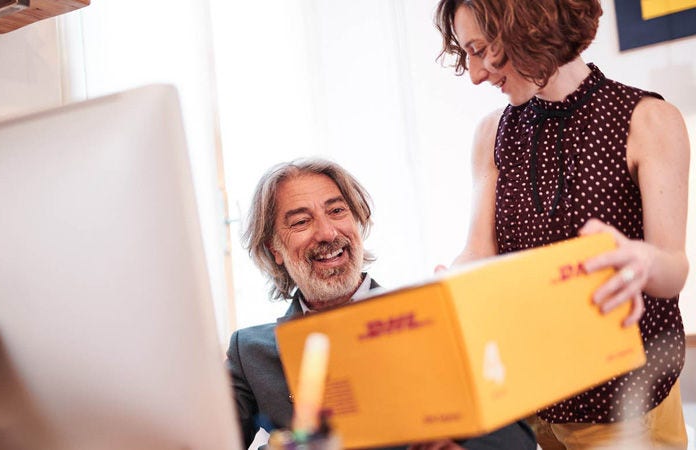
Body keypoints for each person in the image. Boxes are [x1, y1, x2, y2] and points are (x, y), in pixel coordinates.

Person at [434, 1, 690, 448]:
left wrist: (643, 263)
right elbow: (479, 251)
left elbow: (673, 270)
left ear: (529, 26)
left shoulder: (648, 119)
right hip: (535, 396)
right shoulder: (491, 134)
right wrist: (454, 283)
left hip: (624, 400)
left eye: (481, 49)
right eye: (466, 53)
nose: (475, 74)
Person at [226, 158, 536, 450]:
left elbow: (516, 439)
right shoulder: (250, 352)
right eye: (301, 222)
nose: (327, 232)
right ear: (274, 249)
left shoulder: (429, 317)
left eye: (336, 211)